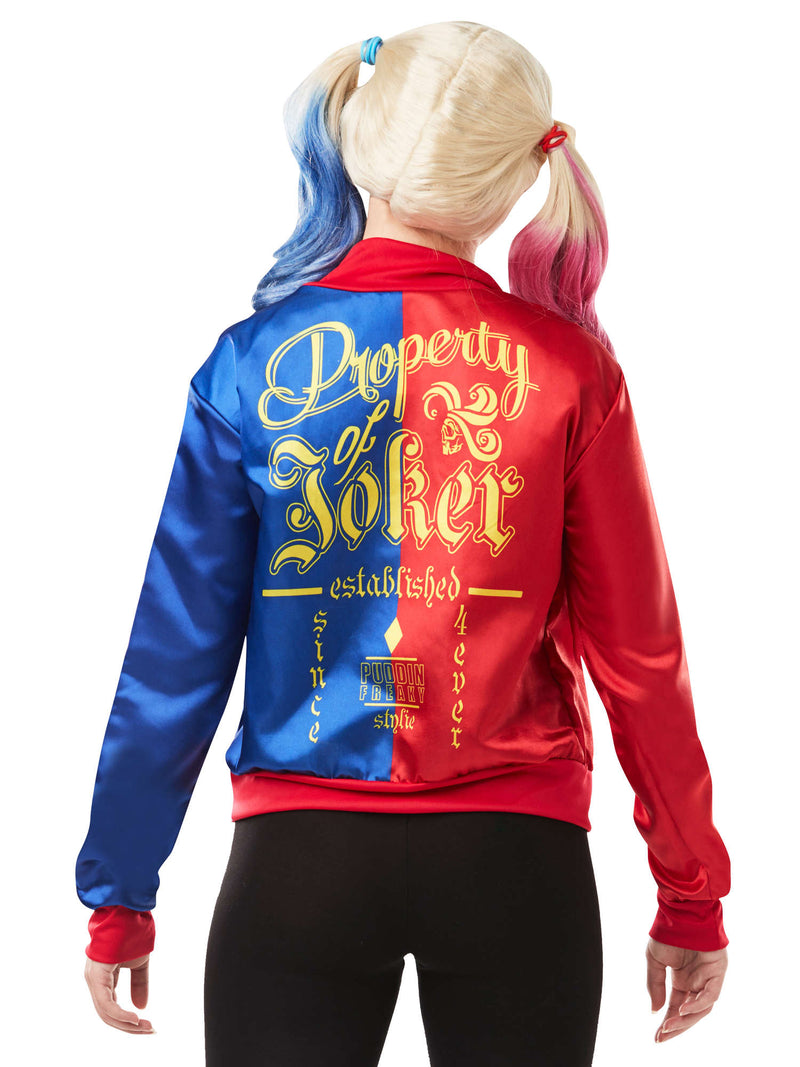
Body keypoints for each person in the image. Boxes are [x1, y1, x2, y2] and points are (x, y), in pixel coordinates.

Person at [77, 21, 731, 1065]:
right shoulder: (569, 371)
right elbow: (641, 657)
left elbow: (175, 654)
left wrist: (121, 891)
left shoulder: (249, 364)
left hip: (297, 867)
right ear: (517, 180)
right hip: (517, 866)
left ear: (360, 143)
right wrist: (689, 890)